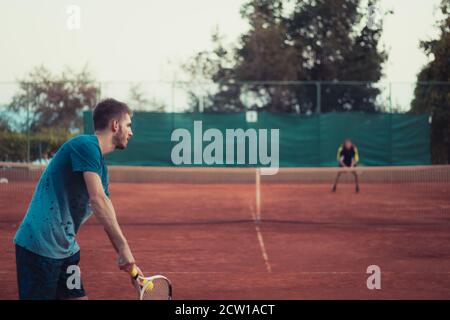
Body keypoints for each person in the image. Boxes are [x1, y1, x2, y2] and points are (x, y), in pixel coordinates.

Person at [13, 98, 141, 299]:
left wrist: (128, 260)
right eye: (128, 125)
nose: (131, 132)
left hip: (66, 250)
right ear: (115, 125)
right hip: (39, 247)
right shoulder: (85, 145)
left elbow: (106, 211)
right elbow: (97, 200)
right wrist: (124, 246)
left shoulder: (99, 168)